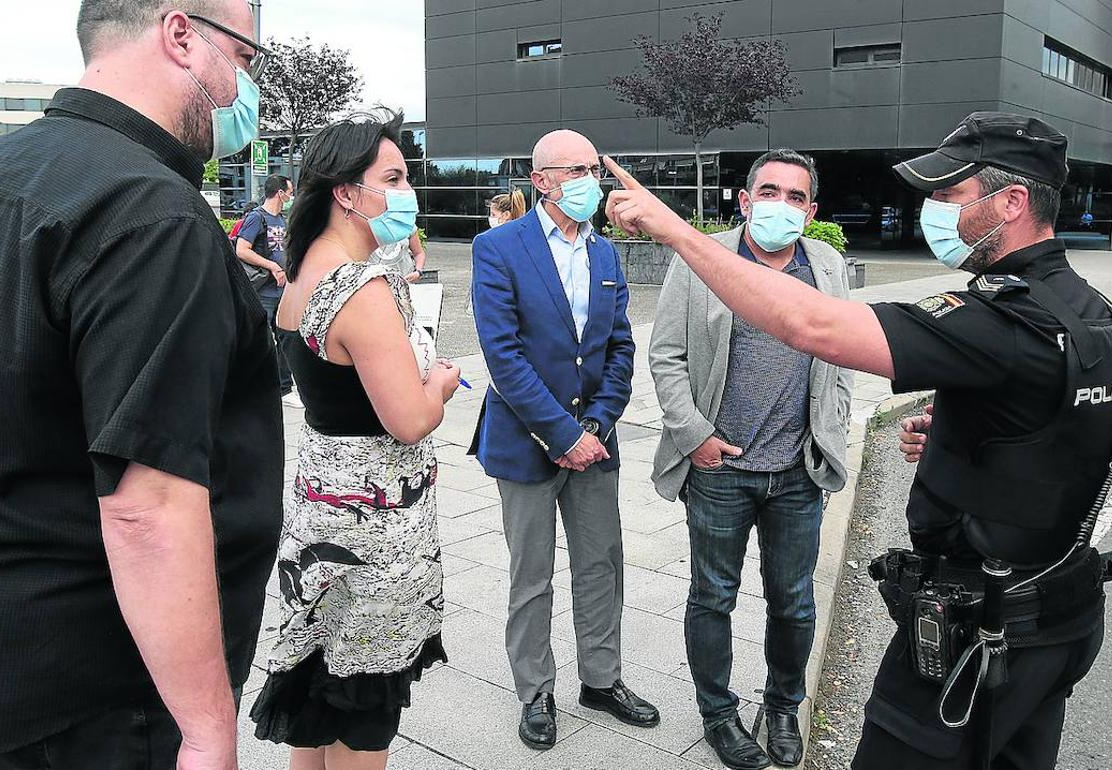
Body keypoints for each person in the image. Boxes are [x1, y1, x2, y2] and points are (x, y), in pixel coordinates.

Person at [603, 112, 1111, 770]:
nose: (935, 211)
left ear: (1011, 203)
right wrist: (974, 438)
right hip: (1059, 622)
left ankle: (782, 703)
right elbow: (1066, 428)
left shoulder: (1000, 319)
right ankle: (721, 710)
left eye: (950, 196)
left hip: (980, 632)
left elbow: (807, 325)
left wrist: (670, 226)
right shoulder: (1088, 312)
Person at [0, 3, 284, 768]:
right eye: (247, 57)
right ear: (181, 34)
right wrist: (204, 727)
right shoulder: (152, 213)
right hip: (100, 681)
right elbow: (148, 505)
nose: (244, 88)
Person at [248, 110, 460, 770]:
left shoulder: (303, 272)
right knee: (363, 716)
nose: (406, 192)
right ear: (346, 191)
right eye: (392, 178)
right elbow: (409, 418)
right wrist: (443, 383)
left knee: (316, 705)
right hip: (375, 541)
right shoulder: (359, 288)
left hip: (320, 522)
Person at [650, 149, 853, 770]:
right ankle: (718, 713)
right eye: (770, 192)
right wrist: (694, 437)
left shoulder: (827, 265)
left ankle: (784, 706)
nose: (781, 205)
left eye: (796, 197)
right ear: (744, 200)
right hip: (720, 473)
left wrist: (830, 430)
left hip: (797, 472)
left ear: (811, 210)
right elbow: (666, 356)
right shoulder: (703, 259)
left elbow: (841, 353)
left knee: (793, 600)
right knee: (713, 597)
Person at [470, 129, 659, 752]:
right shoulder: (497, 248)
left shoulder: (605, 254)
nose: (592, 180)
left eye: (595, 168)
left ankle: (601, 680)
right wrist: (560, 433)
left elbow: (620, 346)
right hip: (527, 443)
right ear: (542, 179)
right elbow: (503, 355)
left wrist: (598, 423)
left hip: (595, 443)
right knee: (532, 574)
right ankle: (537, 690)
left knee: (601, 565)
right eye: (577, 169)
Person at [237, 173, 297, 404]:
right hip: (262, 291)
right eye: (290, 193)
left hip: (282, 290)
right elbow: (242, 249)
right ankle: (251, 387)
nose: (291, 197)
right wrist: (272, 266)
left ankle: (285, 388)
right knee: (259, 339)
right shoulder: (257, 218)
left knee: (284, 339)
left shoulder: (282, 220)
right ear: (280, 193)